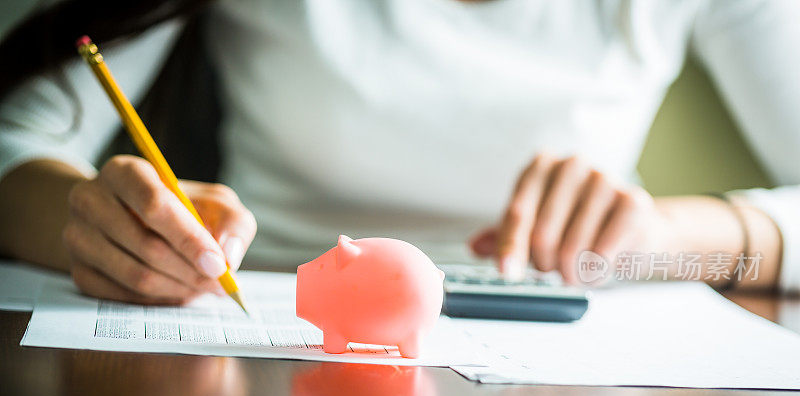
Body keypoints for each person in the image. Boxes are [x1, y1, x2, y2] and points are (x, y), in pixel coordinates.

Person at [0, 0, 798, 305]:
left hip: (577, 366)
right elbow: (14, 144)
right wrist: (86, 222)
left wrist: (671, 241)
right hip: (249, 349)